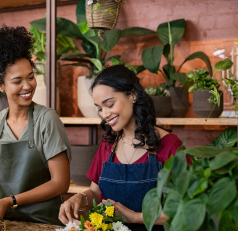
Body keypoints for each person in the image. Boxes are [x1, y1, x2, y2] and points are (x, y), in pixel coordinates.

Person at [0, 26, 71, 226]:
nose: (27, 86)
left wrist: (9, 201)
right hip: (6, 223)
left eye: (30, 77)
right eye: (17, 81)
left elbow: (60, 183)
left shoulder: (47, 120)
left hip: (45, 223)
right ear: (0, 85)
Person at [58, 65, 183, 231]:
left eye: (109, 104)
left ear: (133, 95)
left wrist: (136, 217)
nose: (104, 114)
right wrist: (79, 198)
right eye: (99, 108)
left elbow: (185, 209)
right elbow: (95, 193)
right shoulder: (109, 145)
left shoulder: (170, 146)